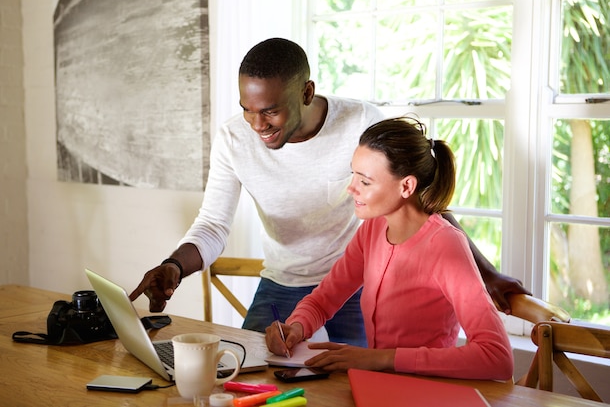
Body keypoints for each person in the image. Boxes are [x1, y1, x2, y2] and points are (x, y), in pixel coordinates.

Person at [129, 38, 528, 347]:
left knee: (357, 384)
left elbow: (418, 201)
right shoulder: (233, 138)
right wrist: (175, 266)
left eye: (269, 110)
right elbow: (214, 223)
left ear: (305, 92)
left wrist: (486, 273)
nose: (256, 124)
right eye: (247, 109)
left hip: (356, 284)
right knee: (246, 370)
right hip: (282, 282)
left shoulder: (360, 122)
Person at [265, 117, 514, 380]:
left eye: (365, 181)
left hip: (429, 391)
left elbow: (496, 357)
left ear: (406, 186)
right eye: (353, 175)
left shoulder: (444, 244)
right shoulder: (372, 229)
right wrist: (296, 327)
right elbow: (324, 298)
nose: (351, 189)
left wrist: (380, 359)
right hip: (380, 386)